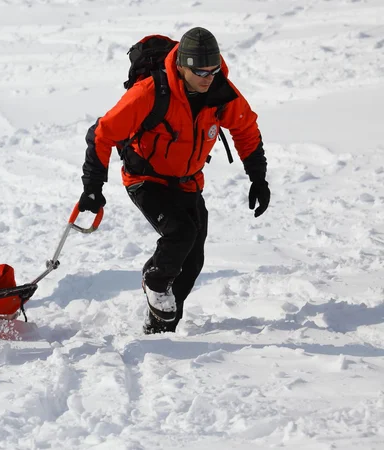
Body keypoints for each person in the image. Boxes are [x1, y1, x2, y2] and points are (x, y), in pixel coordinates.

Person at [78, 27, 269, 334]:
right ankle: (154, 279)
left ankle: (161, 327)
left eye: (214, 70)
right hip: (146, 179)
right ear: (181, 66)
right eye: (201, 71)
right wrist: (92, 188)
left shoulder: (220, 92)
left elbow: (246, 129)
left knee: (192, 261)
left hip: (187, 182)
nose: (208, 78)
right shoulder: (151, 93)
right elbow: (102, 133)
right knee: (180, 233)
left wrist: (258, 178)